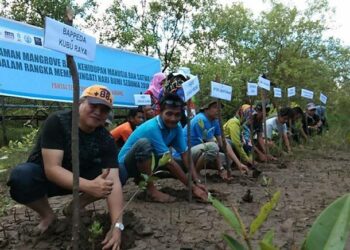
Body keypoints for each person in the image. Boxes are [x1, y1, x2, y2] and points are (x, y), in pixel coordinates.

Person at [7, 85, 123, 250]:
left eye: (104, 109)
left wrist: (117, 226)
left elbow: (114, 183)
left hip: (80, 176)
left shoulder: (106, 139)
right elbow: (52, 169)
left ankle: (76, 205)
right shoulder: (59, 122)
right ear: (79, 104)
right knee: (21, 176)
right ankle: (48, 215)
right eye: (93, 105)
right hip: (46, 179)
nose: (98, 111)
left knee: (120, 173)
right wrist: (89, 186)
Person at [118, 93, 208, 202]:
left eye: (177, 115)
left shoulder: (177, 126)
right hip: (127, 166)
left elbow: (185, 154)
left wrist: (197, 181)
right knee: (144, 144)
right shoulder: (152, 128)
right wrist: (193, 188)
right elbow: (168, 161)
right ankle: (151, 191)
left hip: (152, 160)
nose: (173, 118)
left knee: (182, 164)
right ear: (160, 112)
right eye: (169, 114)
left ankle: (145, 178)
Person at [183, 99, 249, 181]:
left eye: (220, 108)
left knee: (227, 159)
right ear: (206, 109)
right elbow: (213, 146)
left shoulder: (215, 121)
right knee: (213, 147)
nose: (218, 110)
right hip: (185, 154)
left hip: (199, 151)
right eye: (215, 107)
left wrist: (239, 164)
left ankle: (197, 168)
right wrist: (221, 169)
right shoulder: (201, 120)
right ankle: (194, 174)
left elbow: (223, 143)